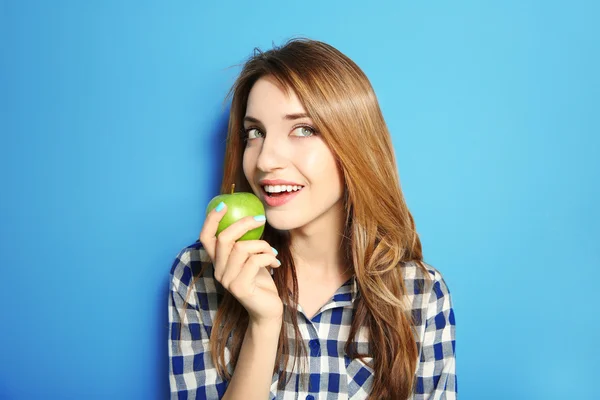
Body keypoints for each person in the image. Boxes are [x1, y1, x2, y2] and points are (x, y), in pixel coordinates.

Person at [168, 37, 457, 400]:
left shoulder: (419, 294)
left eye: (303, 129)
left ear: (355, 144)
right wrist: (264, 324)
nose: (264, 160)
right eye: (254, 133)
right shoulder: (198, 274)